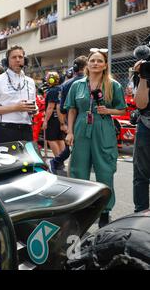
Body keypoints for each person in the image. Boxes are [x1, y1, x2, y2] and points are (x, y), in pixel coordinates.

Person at [65, 49, 126, 228]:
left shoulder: (113, 85)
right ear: (88, 64)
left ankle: (105, 211)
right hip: (81, 127)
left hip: (103, 128)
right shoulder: (77, 85)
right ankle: (79, 207)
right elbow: (72, 109)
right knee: (78, 169)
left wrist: (108, 111)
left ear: (105, 65)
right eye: (93, 61)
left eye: (100, 61)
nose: (96, 64)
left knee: (105, 170)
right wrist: (69, 132)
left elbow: (122, 109)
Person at [0, 45, 37, 144]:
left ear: (24, 60)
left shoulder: (30, 81)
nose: (17, 60)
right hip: (5, 131)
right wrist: (15, 108)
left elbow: (34, 106)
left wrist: (34, 109)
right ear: (7, 61)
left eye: (20, 57)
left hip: (26, 130)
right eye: (14, 57)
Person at [50, 56, 88, 173]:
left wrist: (65, 121)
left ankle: (57, 161)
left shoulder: (66, 84)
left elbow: (61, 108)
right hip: (83, 119)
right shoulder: (88, 82)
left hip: (71, 119)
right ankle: (58, 161)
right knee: (77, 145)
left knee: (73, 145)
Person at [132, 59, 150, 213]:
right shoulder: (144, 72)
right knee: (141, 173)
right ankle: (141, 213)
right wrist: (143, 76)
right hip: (146, 124)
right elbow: (141, 104)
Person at [42, 72, 65, 157]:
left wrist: (45, 121)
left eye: (47, 78)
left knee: (51, 139)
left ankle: (58, 159)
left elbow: (50, 107)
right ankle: (62, 159)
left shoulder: (52, 91)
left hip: (52, 118)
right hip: (60, 118)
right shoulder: (61, 88)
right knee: (60, 139)